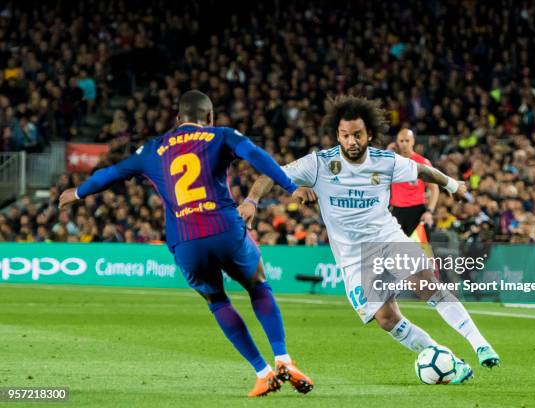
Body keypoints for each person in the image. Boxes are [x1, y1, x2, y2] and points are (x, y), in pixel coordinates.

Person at [59, 90, 314, 397]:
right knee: (257, 285)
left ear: (178, 120)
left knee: (218, 301)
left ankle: (262, 373)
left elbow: (110, 174)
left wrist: (78, 193)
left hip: (185, 242)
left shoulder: (152, 149)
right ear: (209, 117)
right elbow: (256, 155)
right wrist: (290, 186)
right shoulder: (220, 135)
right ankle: (283, 358)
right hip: (224, 228)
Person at [240, 96, 500, 383]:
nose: (351, 141)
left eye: (357, 135)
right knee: (387, 319)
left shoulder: (385, 161)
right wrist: (252, 199)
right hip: (353, 258)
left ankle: (480, 344)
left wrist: (452, 184)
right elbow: (271, 174)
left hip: (387, 239)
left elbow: (423, 171)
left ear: (369, 135)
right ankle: (447, 359)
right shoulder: (320, 163)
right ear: (338, 135)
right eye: (345, 135)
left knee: (426, 284)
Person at [387, 129, 439, 237]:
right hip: (397, 212)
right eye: (401, 141)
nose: (404, 144)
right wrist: (387, 152)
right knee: (397, 252)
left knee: (421, 251)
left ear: (413, 141)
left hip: (417, 212)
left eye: (407, 140)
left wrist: (430, 211)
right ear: (397, 142)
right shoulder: (391, 162)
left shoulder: (423, 162)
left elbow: (434, 189)